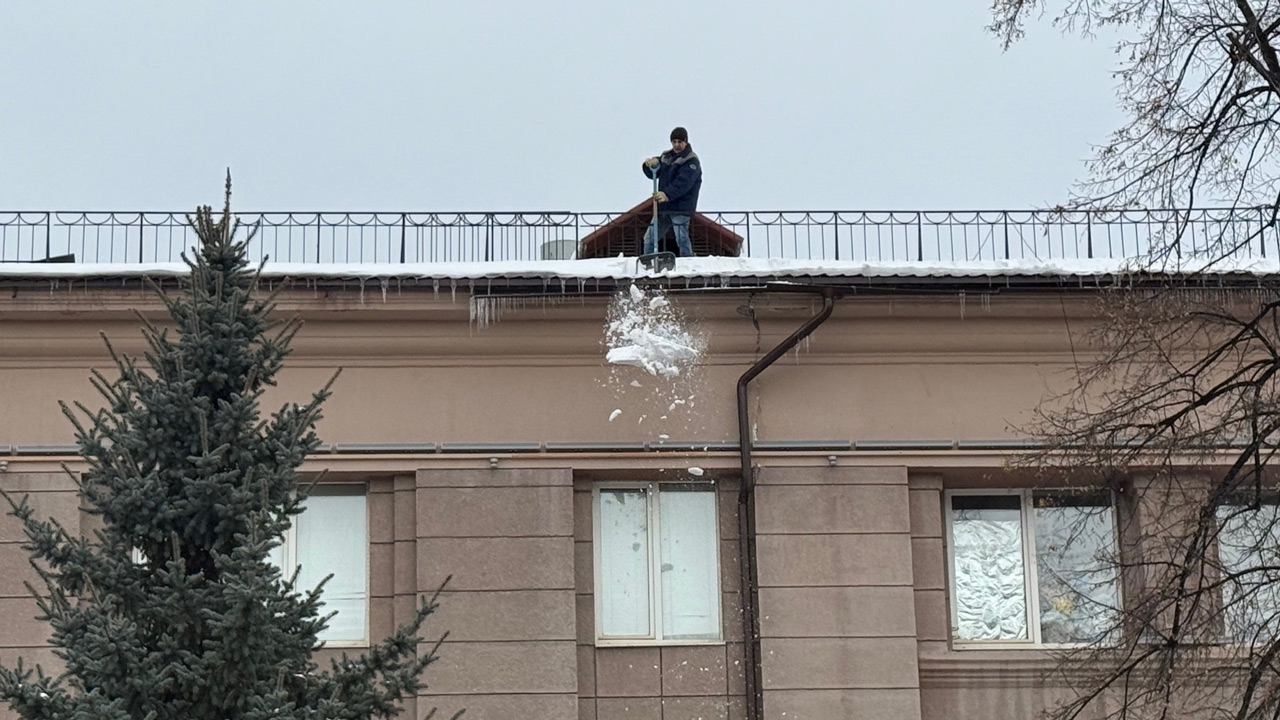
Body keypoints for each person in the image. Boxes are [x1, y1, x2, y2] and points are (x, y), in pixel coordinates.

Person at [642, 127, 702, 257]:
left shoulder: (691, 161)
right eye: (674, 142)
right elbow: (655, 171)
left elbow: (683, 183)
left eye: (680, 142)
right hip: (664, 208)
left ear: (686, 142)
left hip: (681, 208)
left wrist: (666, 194)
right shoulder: (666, 156)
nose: (676, 145)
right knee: (649, 238)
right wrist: (650, 164)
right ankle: (648, 262)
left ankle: (688, 261)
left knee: (682, 238)